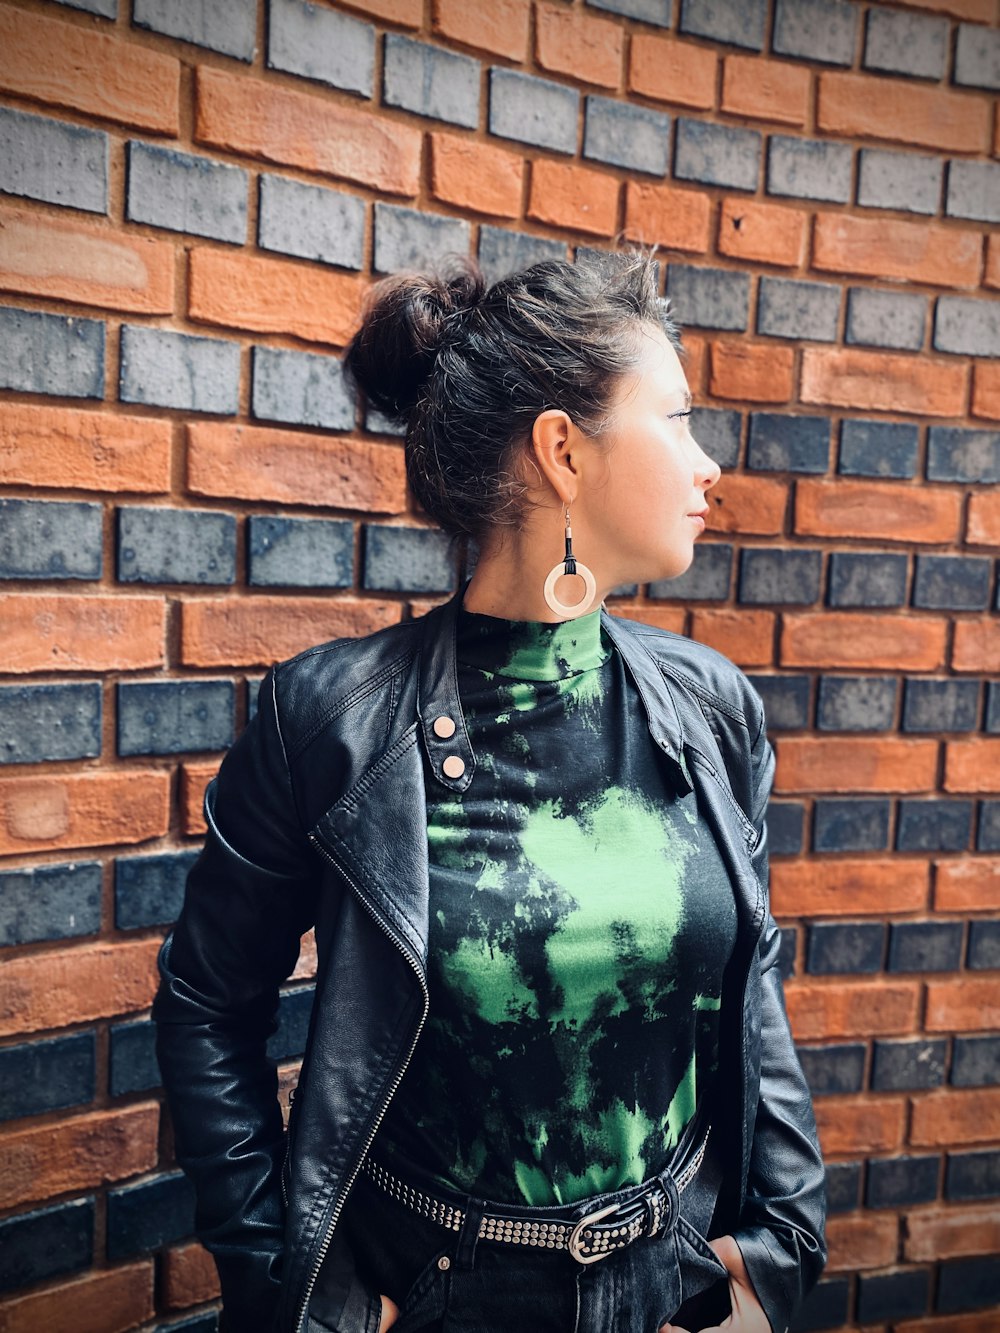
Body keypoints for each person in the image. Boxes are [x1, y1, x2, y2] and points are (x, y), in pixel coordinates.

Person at [153, 251, 826, 1333]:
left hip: (676, 1285)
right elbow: (204, 1006)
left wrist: (772, 1260)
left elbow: (754, 981)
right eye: (677, 419)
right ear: (562, 449)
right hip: (432, 1290)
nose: (710, 467)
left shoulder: (712, 708)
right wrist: (297, 1289)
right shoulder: (327, 721)